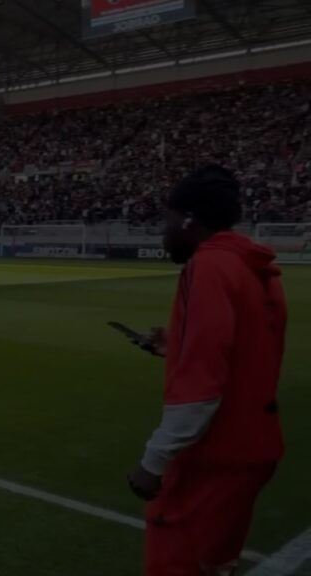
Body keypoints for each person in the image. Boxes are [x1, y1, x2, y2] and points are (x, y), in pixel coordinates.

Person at [127, 165, 286, 576]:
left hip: (215, 452)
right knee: (216, 563)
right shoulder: (257, 267)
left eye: (167, 220)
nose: (164, 233)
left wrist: (155, 459)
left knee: (175, 562)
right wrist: (174, 345)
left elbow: (201, 387)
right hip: (256, 446)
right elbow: (249, 353)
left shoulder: (210, 266)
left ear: (188, 219)